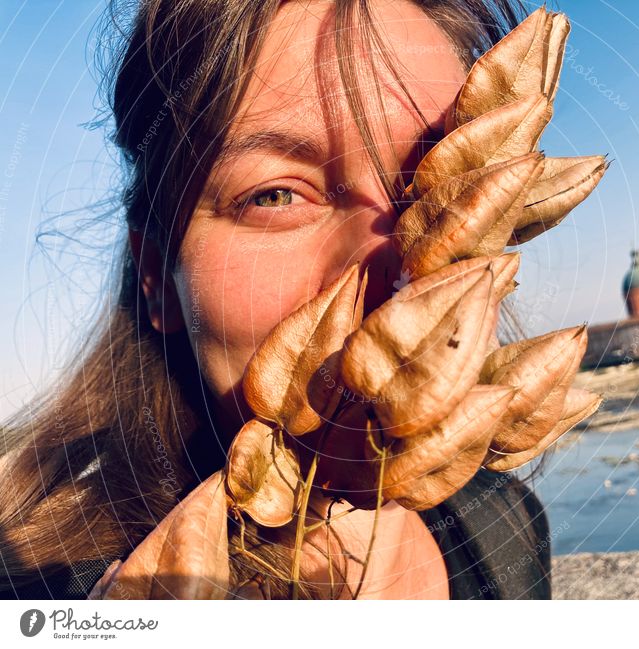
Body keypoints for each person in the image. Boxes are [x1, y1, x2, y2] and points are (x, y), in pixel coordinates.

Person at [0, 0, 552, 599]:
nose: (391, 271)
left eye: (449, 193)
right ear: (157, 275)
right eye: (275, 196)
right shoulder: (41, 591)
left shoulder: (504, 526)